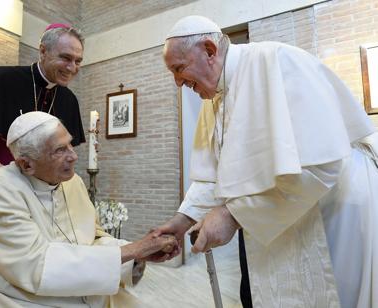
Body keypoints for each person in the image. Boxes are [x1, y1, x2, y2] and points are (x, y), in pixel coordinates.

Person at [155, 15, 378, 308]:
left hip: (335, 212)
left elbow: (321, 166)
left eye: (179, 69)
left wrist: (234, 215)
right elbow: (212, 176)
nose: (178, 82)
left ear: (209, 50)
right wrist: (182, 221)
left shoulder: (276, 62)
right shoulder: (214, 97)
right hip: (287, 217)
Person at [0, 111, 177, 307]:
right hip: (20, 297)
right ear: (26, 165)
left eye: (70, 145)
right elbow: (34, 265)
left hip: (86, 293)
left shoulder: (72, 182)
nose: (73, 156)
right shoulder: (0, 186)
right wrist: (132, 250)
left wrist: (137, 255)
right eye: (60, 150)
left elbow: (93, 238)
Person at [0, 23, 85, 179]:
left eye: (78, 61)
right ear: (43, 51)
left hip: (44, 194)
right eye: (66, 58)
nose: (72, 67)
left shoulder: (69, 100)